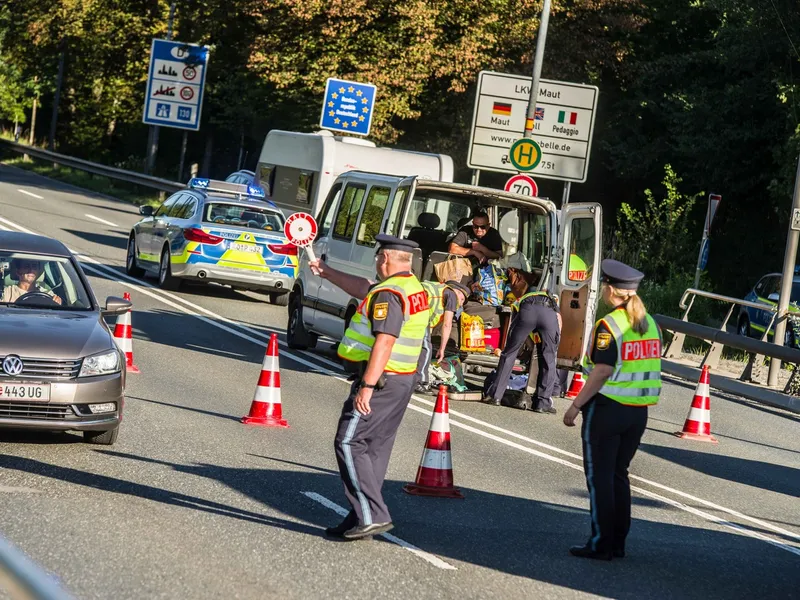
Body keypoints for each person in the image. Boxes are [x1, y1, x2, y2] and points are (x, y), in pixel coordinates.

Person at [309, 235, 429, 541]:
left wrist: (367, 385)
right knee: (375, 448)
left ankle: (373, 514)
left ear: (385, 258)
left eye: (377, 258)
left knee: (348, 441)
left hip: (382, 380)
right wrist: (326, 271)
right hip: (402, 380)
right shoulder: (412, 286)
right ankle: (360, 514)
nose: (375, 264)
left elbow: (385, 341)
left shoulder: (390, 294)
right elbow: (365, 288)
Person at [563, 259, 662, 560]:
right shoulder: (648, 323)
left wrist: (575, 405)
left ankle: (600, 542)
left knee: (600, 477)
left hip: (608, 410)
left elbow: (602, 371)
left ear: (610, 289)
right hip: (638, 413)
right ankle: (618, 541)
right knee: (619, 474)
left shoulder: (610, 325)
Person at [482, 276, 561, 413]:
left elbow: (515, 328)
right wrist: (555, 343)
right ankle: (542, 403)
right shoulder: (553, 300)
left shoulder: (522, 299)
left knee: (509, 353)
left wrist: (518, 348)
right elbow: (559, 321)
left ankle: (495, 396)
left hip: (527, 312)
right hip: (548, 315)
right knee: (549, 358)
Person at [416, 279, 470, 393]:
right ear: (457, 292)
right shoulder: (451, 295)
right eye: (462, 299)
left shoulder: (437, 287)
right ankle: (420, 382)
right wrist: (442, 348)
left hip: (412, 310)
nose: (460, 304)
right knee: (426, 349)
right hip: (418, 315)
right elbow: (447, 324)